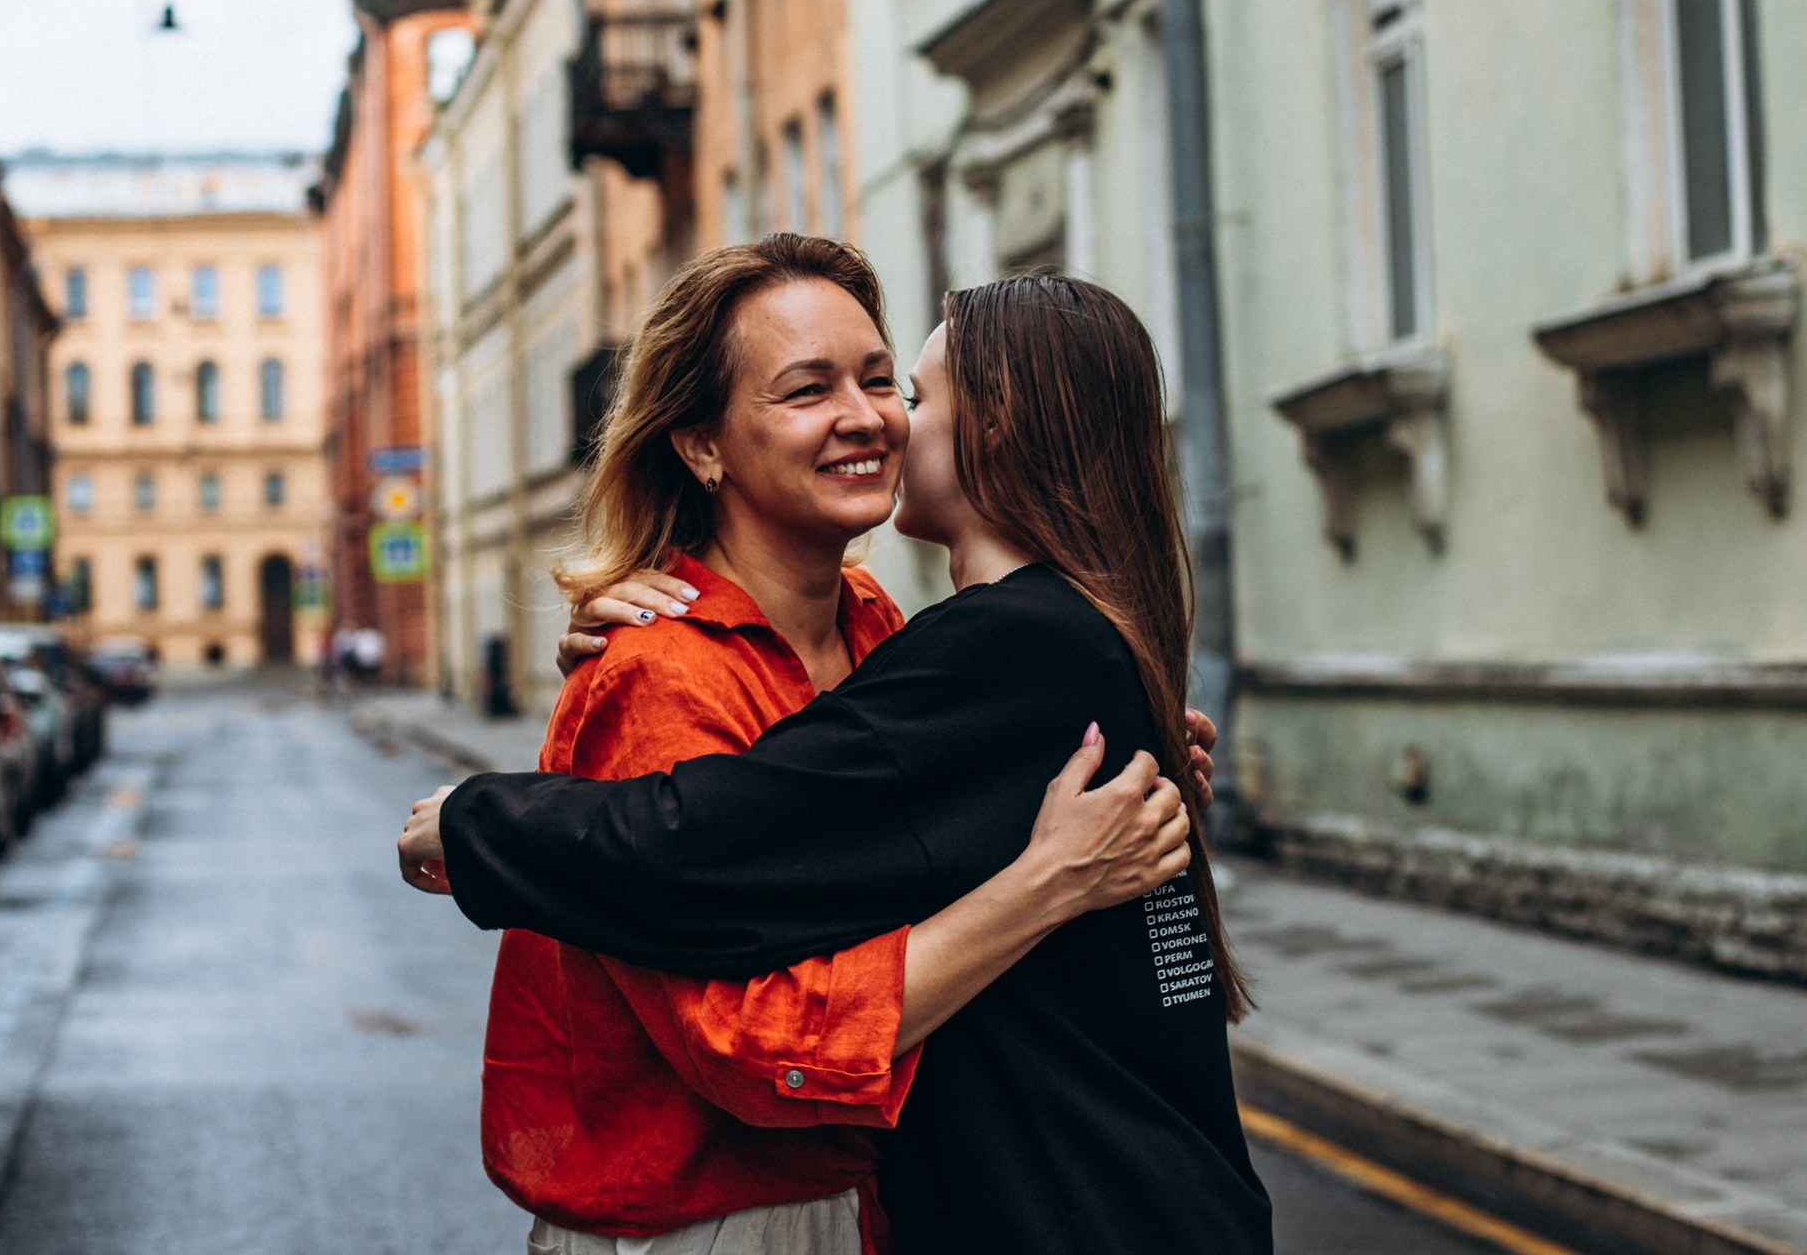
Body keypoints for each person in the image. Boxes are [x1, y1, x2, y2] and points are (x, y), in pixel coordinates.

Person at [403, 262, 1272, 1255]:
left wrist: (475, 823)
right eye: (810, 388)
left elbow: (744, 836)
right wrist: (1045, 880)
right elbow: (747, 1024)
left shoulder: (900, 639)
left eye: (889, 382)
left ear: (1001, 428)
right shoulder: (671, 669)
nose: (874, 417)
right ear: (702, 445)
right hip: (712, 1222)